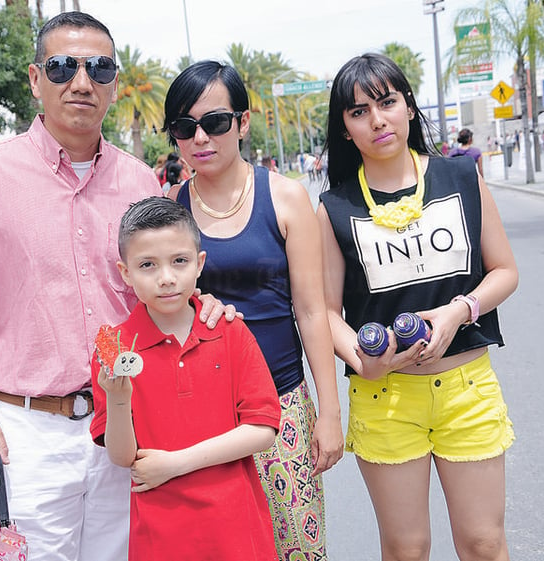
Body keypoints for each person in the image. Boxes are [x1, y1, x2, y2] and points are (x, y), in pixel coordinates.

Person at [0, 12, 233, 561]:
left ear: (114, 84)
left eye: (99, 68)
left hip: (124, 421)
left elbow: (156, 290)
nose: (82, 81)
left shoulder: (138, 181)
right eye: (63, 66)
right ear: (36, 79)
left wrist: (203, 305)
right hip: (24, 432)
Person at [317, 53, 518, 561]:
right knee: (407, 549)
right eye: (359, 111)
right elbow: (324, 311)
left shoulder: (462, 178)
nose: (377, 119)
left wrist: (460, 311)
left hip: (467, 389)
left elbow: (505, 272)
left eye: (386, 103)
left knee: (484, 544)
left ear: (408, 106)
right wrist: (364, 359)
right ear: (344, 128)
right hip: (385, 397)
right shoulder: (335, 207)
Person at [164, 60, 344, 561]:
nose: (200, 137)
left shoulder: (285, 197)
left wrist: (328, 413)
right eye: (185, 127)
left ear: (242, 123)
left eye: (216, 122)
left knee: (297, 548)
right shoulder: (170, 208)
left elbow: (311, 312)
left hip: (281, 406)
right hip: (202, 413)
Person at [90, 196, 281, 561]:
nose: (166, 278)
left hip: (237, 530)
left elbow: (262, 429)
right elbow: (122, 455)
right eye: (147, 265)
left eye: (179, 261)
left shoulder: (229, 331)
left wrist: (177, 464)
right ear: (125, 272)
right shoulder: (112, 348)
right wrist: (117, 397)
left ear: (199, 264)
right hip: (162, 536)